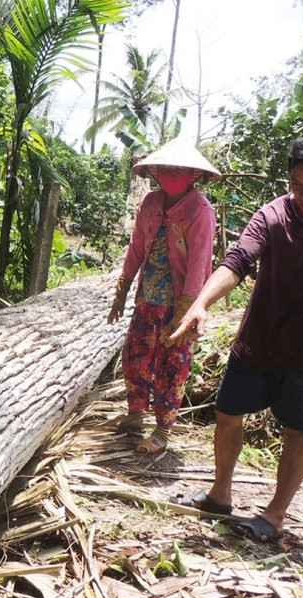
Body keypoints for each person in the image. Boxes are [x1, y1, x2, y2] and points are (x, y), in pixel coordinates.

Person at [169, 132, 303, 541]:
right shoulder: (272, 215)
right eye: (295, 184)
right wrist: (201, 304)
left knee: (298, 429)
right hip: (259, 334)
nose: (302, 194)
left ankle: (274, 515)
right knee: (229, 414)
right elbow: (237, 261)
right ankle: (220, 493)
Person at [107, 139, 220, 454]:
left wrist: (185, 312)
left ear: (192, 174)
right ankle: (134, 415)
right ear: (155, 171)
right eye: (166, 168)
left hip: (179, 303)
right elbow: (137, 248)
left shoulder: (200, 211)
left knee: (172, 367)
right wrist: (123, 289)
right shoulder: (150, 203)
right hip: (148, 298)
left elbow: (200, 262)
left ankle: (162, 431)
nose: (171, 173)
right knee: (135, 359)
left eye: (178, 169)